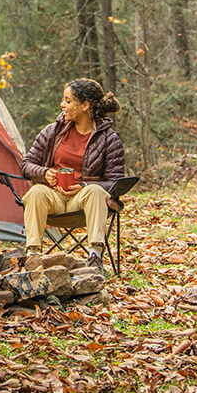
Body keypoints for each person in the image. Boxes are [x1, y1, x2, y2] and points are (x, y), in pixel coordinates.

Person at [21, 78, 125, 269]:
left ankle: (94, 257)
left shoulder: (109, 140)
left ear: (85, 105)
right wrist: (44, 173)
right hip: (54, 198)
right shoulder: (52, 132)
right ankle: (33, 255)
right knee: (35, 193)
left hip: (84, 201)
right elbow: (26, 165)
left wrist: (84, 186)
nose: (62, 105)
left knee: (95, 191)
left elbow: (116, 182)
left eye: (68, 101)